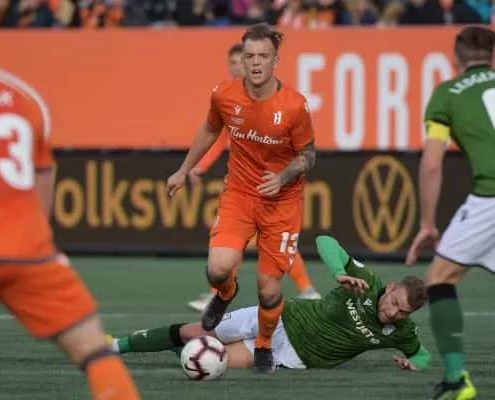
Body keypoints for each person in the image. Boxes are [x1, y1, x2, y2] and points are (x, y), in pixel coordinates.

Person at [166, 23, 317, 373]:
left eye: (263, 56)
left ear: (275, 60)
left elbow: (308, 155)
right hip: (240, 194)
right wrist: (183, 169)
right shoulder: (224, 95)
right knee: (217, 268)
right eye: (250, 56)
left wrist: (282, 177)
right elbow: (210, 129)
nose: (256, 62)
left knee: (268, 290)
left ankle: (263, 344)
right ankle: (225, 292)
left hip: (282, 202)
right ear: (243, 60)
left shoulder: (295, 105)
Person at [0, 69, 141, 399]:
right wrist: (43, 247)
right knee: (95, 350)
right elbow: (42, 181)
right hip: (27, 254)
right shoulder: (22, 99)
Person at [108, 236, 430, 374]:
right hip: (281, 315)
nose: (393, 312)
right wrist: (339, 273)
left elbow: (421, 354)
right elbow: (325, 241)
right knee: (193, 332)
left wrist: (416, 363)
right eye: (394, 302)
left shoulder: (402, 330)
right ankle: (116, 346)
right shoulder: (367, 282)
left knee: (213, 360)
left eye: (402, 312)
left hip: (290, 354)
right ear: (390, 288)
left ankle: (176, 348)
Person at [187, 42, 321, 313]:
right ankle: (220, 293)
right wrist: (199, 165)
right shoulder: (230, 98)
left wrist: (282, 176)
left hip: (276, 190)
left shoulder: (281, 102)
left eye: (244, 61)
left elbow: (304, 151)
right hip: (246, 189)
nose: (240, 67)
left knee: (269, 248)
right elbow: (219, 136)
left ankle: (306, 289)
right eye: (236, 62)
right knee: (233, 246)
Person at [406, 26, 495, 400]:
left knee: (439, 278)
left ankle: (457, 380)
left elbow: (431, 165)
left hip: (491, 198)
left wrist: (427, 223)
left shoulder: (447, 94)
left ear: (456, 57)